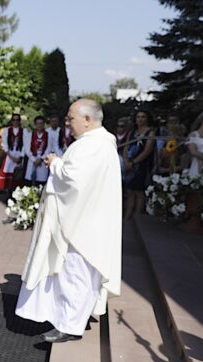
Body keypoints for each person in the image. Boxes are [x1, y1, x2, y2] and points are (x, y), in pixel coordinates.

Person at [15, 99, 122, 343]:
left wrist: (56, 164)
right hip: (86, 219)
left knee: (75, 273)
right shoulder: (95, 143)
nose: (67, 123)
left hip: (82, 224)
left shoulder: (94, 145)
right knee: (77, 274)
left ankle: (70, 326)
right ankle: (72, 317)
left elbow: (74, 180)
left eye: (70, 118)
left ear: (87, 119)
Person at [122, 110, 155, 220]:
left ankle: (137, 218)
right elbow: (126, 147)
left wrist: (134, 162)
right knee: (129, 191)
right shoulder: (132, 132)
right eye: (138, 117)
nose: (140, 119)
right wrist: (126, 160)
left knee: (139, 192)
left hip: (141, 165)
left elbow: (147, 151)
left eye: (143, 117)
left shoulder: (150, 132)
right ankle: (128, 216)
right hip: (129, 164)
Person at [0, 113, 27, 190]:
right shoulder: (7, 130)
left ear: (20, 121)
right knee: (8, 173)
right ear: (11, 121)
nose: (15, 122)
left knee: (18, 175)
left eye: (17, 120)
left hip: (19, 155)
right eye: (14, 120)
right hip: (10, 155)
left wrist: (20, 157)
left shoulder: (24, 131)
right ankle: (7, 192)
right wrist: (11, 156)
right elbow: (4, 144)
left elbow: (26, 145)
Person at [24, 116, 50, 186]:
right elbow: (27, 149)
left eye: (41, 123)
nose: (40, 125)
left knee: (41, 183)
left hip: (42, 161)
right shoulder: (30, 135)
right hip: (32, 160)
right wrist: (34, 159)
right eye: (38, 123)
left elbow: (48, 148)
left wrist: (41, 159)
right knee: (30, 182)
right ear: (35, 125)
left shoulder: (48, 135)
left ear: (44, 124)